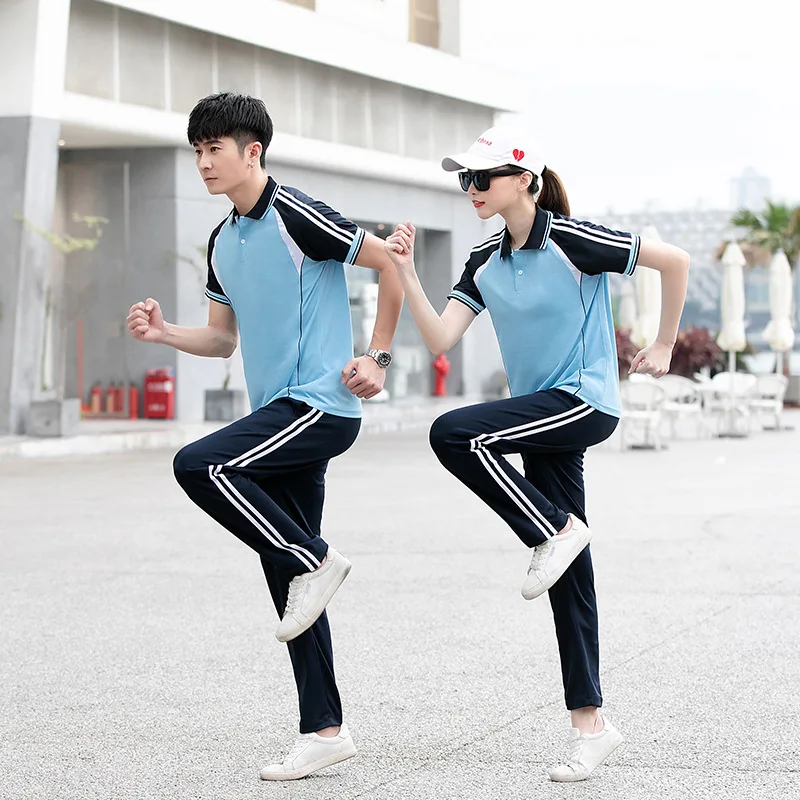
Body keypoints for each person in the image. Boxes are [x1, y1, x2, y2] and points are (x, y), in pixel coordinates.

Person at [384, 126, 689, 782]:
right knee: (569, 574)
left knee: (453, 432)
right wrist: (406, 272)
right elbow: (441, 338)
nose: (472, 189)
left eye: (484, 177)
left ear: (525, 178)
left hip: (583, 403)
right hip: (542, 423)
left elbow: (676, 261)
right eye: (466, 179)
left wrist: (663, 345)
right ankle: (591, 725)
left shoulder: (574, 240)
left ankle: (553, 530)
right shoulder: (485, 261)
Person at [126, 92, 403, 781]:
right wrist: (164, 333)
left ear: (253, 151)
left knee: (202, 466)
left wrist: (378, 356)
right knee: (288, 580)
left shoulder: (297, 215)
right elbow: (223, 340)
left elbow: (390, 267)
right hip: (277, 419)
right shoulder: (223, 241)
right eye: (196, 150)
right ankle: (324, 729)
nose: (203, 162)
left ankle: (314, 557)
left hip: (319, 407)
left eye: (215, 148)